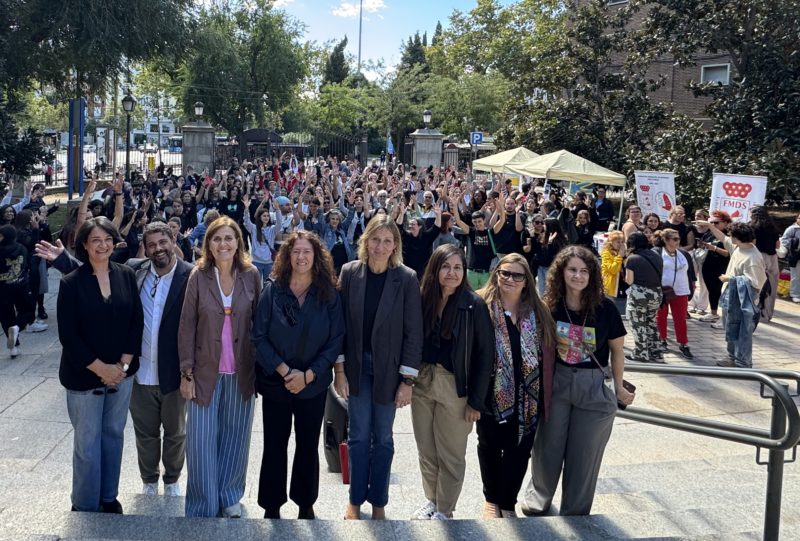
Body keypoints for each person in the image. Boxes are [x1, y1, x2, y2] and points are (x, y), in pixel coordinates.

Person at [522, 245, 634, 517]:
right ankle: (539, 498)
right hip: (557, 382)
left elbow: (617, 351)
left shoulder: (606, 308)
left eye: (584, 271)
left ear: (592, 274)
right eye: (572, 270)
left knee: (584, 454)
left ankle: (575, 510)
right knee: (547, 446)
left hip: (592, 385)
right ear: (561, 273)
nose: (578, 276)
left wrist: (619, 387)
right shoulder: (550, 305)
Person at [252, 230, 344, 520]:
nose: (301, 257)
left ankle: (306, 503)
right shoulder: (272, 290)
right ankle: (271, 505)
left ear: (316, 256)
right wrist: (285, 371)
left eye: (307, 251)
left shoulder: (328, 293)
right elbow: (258, 336)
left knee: (307, 444)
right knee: (274, 444)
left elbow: (336, 340)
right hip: (276, 380)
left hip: (312, 384)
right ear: (287, 256)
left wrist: (308, 375)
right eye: (295, 251)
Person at [335, 214, 423, 520]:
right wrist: (339, 370)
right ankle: (355, 500)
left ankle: (379, 502)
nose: (380, 246)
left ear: (395, 245)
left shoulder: (407, 278)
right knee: (359, 436)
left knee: (383, 438)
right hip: (357, 367)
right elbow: (339, 325)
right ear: (365, 240)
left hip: (390, 370)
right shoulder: (349, 273)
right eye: (375, 239)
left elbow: (414, 331)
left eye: (387, 241)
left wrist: (408, 382)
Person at [57, 217, 144, 513]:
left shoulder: (126, 275)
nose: (103, 245)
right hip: (83, 377)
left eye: (107, 239)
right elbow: (69, 335)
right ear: (84, 244)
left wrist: (122, 365)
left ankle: (108, 496)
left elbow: (136, 322)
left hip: (121, 375)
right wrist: (101, 369)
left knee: (113, 436)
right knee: (87, 443)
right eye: (96, 240)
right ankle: (84, 504)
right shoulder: (71, 283)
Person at [178, 216, 262, 518]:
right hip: (204, 372)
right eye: (216, 239)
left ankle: (229, 495)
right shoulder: (199, 276)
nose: (223, 244)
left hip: (241, 372)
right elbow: (187, 325)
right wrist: (186, 372)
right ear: (208, 244)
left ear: (238, 242)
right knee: (200, 442)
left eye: (228, 238)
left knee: (235, 438)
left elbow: (259, 323)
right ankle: (203, 504)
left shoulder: (251, 275)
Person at [410, 245, 494, 521]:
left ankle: (445, 509)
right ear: (435, 269)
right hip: (424, 381)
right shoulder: (423, 298)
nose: (452, 273)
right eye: (446, 267)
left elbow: (485, 355)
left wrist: (476, 401)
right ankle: (432, 500)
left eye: (458, 267)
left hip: (456, 386)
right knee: (426, 449)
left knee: (451, 453)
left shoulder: (473, 305)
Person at [476, 254, 556, 519]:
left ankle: (507, 501)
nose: (510, 279)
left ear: (526, 280)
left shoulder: (538, 311)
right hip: (490, 392)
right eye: (505, 273)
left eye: (517, 275)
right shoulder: (481, 305)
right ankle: (491, 499)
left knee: (520, 450)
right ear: (496, 274)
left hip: (529, 395)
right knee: (489, 446)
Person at [694, 220, 767, 368]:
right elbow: (723, 238)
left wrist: (730, 278)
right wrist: (709, 226)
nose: (729, 237)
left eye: (731, 235)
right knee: (731, 328)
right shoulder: (738, 247)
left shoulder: (752, 257)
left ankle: (743, 362)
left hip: (743, 300)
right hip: (731, 295)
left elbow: (756, 282)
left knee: (742, 331)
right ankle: (732, 357)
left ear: (738, 237)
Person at [653, 229, 695, 359]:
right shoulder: (657, 253)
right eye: (674, 239)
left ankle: (683, 343)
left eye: (679, 238)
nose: (678, 241)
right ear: (666, 240)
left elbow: (691, 273)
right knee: (661, 316)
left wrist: (692, 287)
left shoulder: (684, 254)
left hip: (681, 290)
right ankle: (662, 340)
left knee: (680, 319)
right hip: (663, 291)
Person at [624, 232, 664, 363]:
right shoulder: (657, 255)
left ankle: (641, 353)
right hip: (657, 294)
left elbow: (629, 281)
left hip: (639, 295)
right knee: (651, 322)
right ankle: (656, 352)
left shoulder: (632, 259)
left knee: (638, 324)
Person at [0, 225, 35, 358]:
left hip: (3, 288)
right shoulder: (22, 248)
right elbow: (27, 265)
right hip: (21, 285)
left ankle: (14, 348)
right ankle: (18, 327)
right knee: (27, 311)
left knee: (6, 316)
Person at [697, 211, 733, 325]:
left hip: (721, 267)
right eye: (711, 222)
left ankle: (725, 317)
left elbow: (728, 253)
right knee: (712, 290)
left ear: (726, 222)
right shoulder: (710, 233)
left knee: (720, 291)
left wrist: (714, 248)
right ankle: (713, 313)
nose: (713, 225)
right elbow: (702, 242)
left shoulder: (729, 235)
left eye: (716, 223)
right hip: (708, 264)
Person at [749, 206, 780, 321]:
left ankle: (754, 313)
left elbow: (752, 243)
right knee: (771, 287)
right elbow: (778, 245)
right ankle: (766, 315)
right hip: (773, 258)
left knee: (756, 286)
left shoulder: (752, 227)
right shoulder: (773, 227)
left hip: (758, 257)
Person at [688, 209, 711, 315]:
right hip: (693, 254)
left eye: (699, 216)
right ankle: (691, 304)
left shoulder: (710, 228)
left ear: (705, 218)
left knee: (704, 281)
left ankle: (702, 306)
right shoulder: (691, 228)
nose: (697, 218)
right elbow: (690, 243)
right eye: (696, 216)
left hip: (706, 256)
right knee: (691, 280)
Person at [600, 231, 627, 316]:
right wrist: (619, 256)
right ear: (611, 242)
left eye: (622, 242)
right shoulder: (606, 253)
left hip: (622, 284)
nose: (620, 244)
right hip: (611, 285)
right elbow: (613, 269)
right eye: (618, 242)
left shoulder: (623, 252)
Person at [780, 213, 800, 303]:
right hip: (796, 255)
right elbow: (784, 240)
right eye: (799, 218)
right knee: (796, 275)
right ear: (796, 218)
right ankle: (795, 294)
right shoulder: (792, 229)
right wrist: (794, 242)